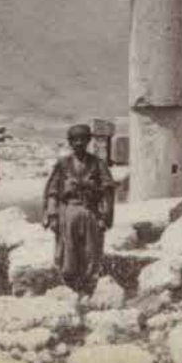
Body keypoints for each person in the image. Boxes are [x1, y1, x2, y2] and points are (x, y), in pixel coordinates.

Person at [43, 123, 116, 295]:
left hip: (91, 213)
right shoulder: (63, 164)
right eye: (75, 140)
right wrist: (52, 216)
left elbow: (107, 191)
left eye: (83, 139)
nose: (79, 143)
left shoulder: (98, 164)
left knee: (91, 252)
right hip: (68, 213)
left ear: (88, 141)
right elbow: (53, 191)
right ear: (70, 142)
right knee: (68, 252)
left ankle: (88, 289)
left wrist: (105, 217)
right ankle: (70, 288)